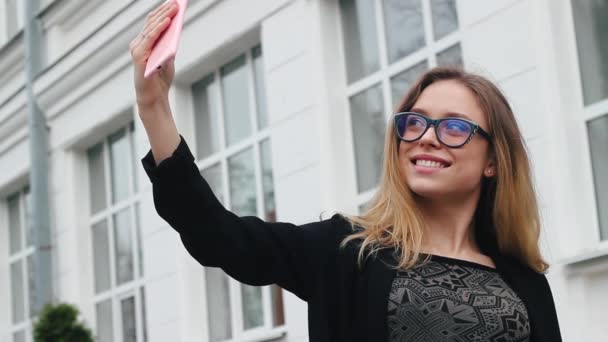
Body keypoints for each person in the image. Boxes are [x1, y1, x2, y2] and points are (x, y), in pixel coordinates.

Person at [130, 1, 562, 341]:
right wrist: (154, 108)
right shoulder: (348, 250)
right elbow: (217, 235)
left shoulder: (524, 280)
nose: (426, 136)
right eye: (415, 122)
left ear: (493, 161)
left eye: (453, 127)